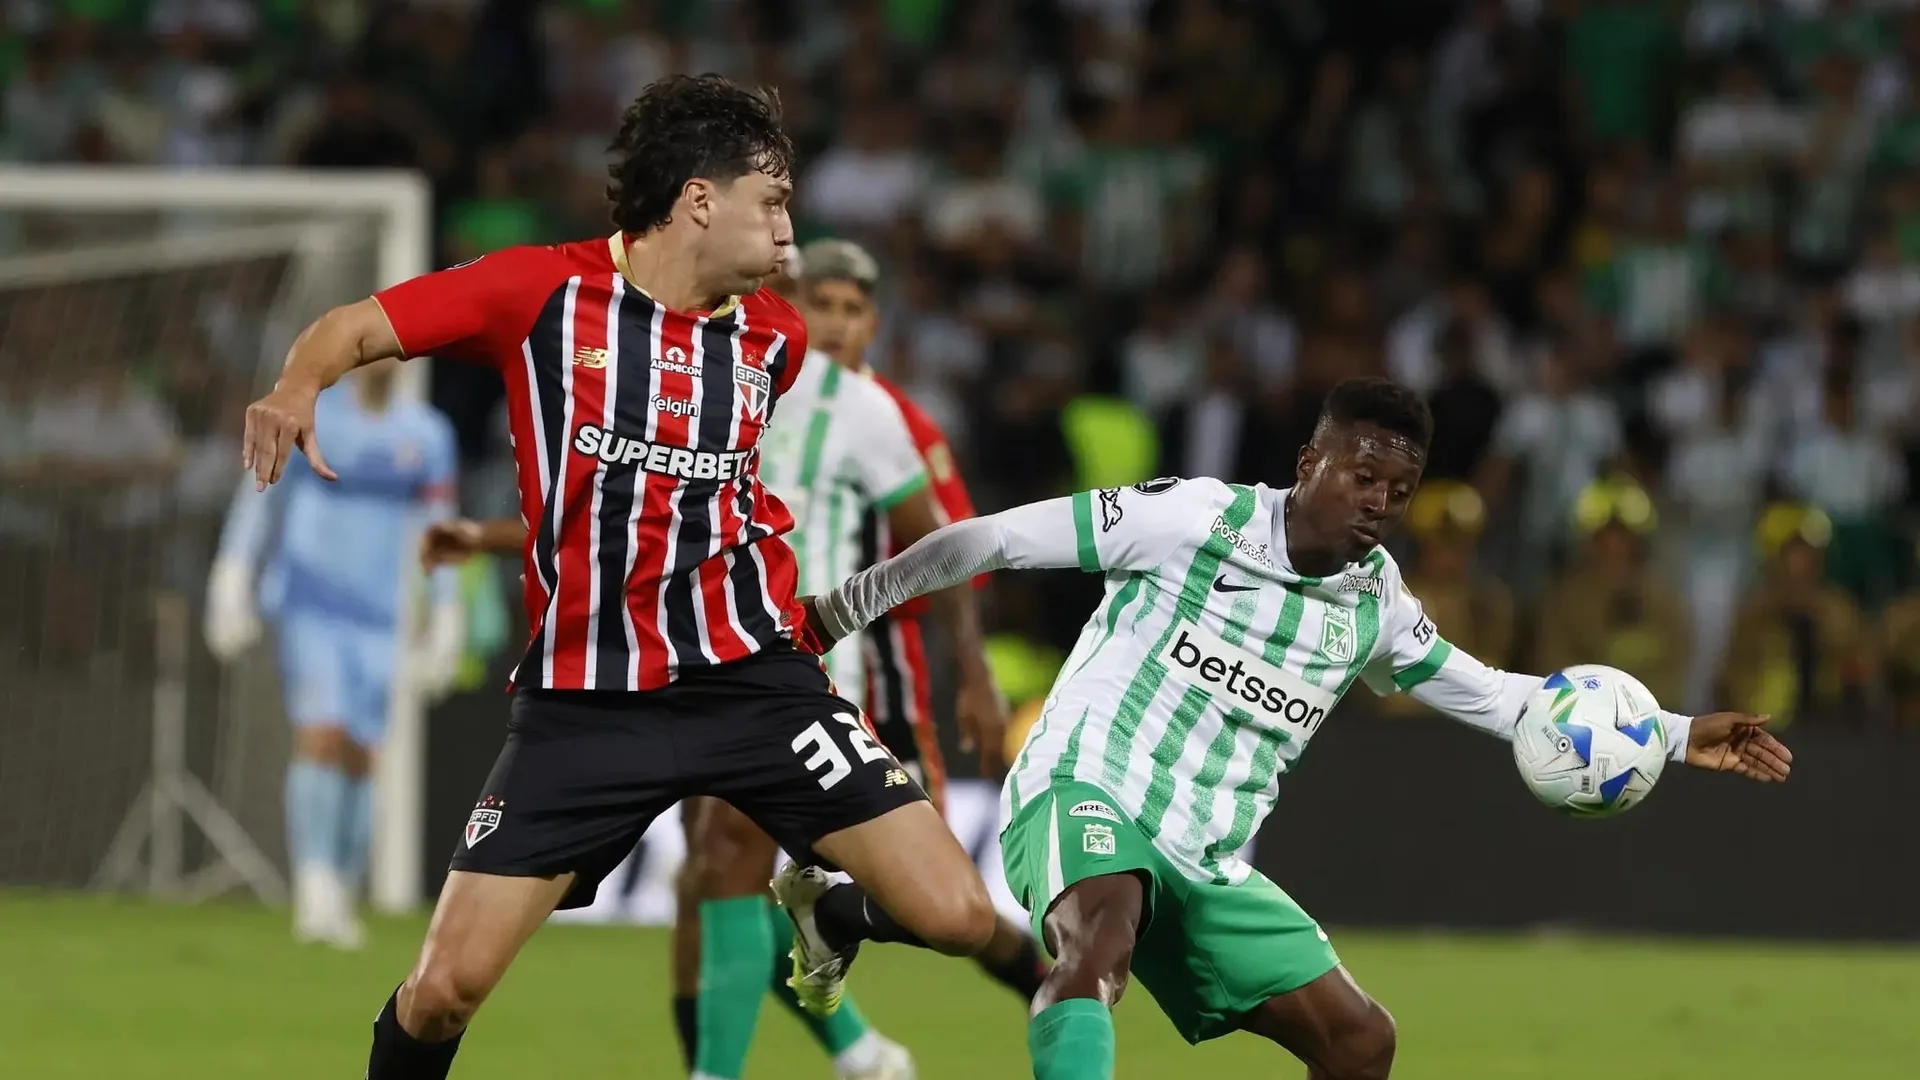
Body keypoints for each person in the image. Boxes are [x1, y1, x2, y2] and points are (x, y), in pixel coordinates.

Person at [240, 75, 1000, 1080]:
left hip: (753, 683)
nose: (789, 227)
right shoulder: (537, 294)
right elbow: (357, 326)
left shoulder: (776, 334)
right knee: (441, 994)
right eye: (772, 200)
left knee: (952, 914)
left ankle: (824, 911)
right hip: (586, 706)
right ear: (698, 200)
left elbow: (701, 505)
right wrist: (297, 386)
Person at [785, 377, 1793, 1080]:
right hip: (1087, 780)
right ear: (1310, 460)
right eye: (1361, 476)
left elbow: (1496, 696)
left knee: (1361, 1043)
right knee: (1096, 949)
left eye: (1399, 490)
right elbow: (993, 537)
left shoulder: (1377, 603)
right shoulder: (1193, 519)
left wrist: (1671, 732)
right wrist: (840, 608)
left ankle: (841, 914)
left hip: (1211, 855)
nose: (1380, 503)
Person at [208, 358, 463, 949]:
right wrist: (233, 572)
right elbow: (260, 499)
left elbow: (439, 523)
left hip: (381, 615)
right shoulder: (311, 420)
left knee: (360, 752)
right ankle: (313, 883)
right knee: (320, 732)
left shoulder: (426, 435)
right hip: (311, 602)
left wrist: (446, 612)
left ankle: (340, 885)